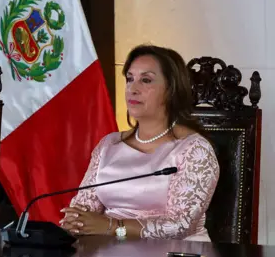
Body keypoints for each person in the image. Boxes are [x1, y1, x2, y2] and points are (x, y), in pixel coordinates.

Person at [60, 44, 220, 241]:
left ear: (171, 89)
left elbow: (181, 225)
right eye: (129, 79)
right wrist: (76, 220)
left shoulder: (194, 149)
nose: (132, 89)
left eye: (146, 80)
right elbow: (83, 207)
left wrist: (113, 227)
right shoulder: (109, 144)